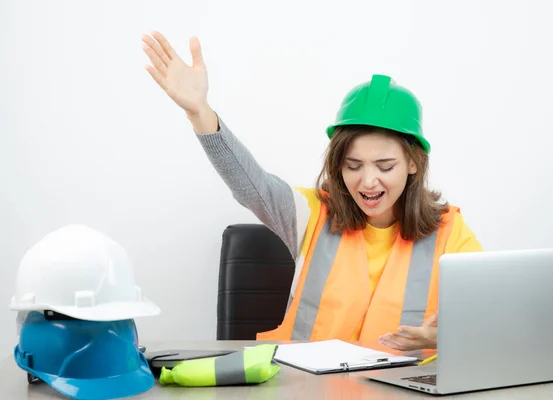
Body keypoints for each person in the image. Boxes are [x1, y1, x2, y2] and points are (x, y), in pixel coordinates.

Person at [141, 31, 483, 352]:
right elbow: (251, 185)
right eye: (353, 165)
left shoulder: (450, 235)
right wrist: (200, 112)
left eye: (384, 166)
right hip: (303, 387)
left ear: (412, 163)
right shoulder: (311, 214)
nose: (367, 181)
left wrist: (449, 338)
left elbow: (493, 318)